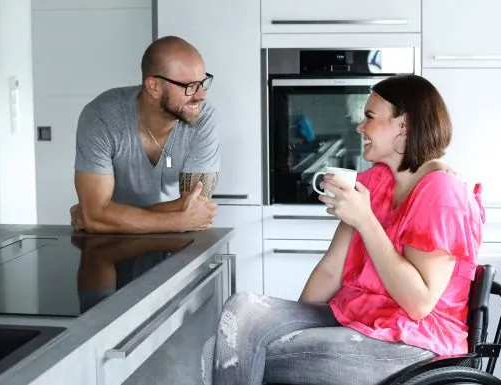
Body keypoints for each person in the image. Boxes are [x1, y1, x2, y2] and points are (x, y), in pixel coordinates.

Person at [202, 74, 486, 385]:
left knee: (236, 351)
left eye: (370, 117)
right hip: (359, 319)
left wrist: (366, 221)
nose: (360, 126)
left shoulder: (442, 192)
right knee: (241, 311)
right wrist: (290, 326)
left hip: (414, 343)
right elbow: (331, 270)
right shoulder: (377, 181)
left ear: (403, 125)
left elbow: (418, 304)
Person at [70, 35, 220, 234]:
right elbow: (95, 216)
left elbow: (194, 207)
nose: (202, 95)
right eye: (189, 86)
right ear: (154, 87)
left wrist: (106, 216)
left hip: (171, 243)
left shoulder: (203, 118)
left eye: (203, 82)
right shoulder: (102, 116)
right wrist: (177, 222)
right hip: (110, 246)